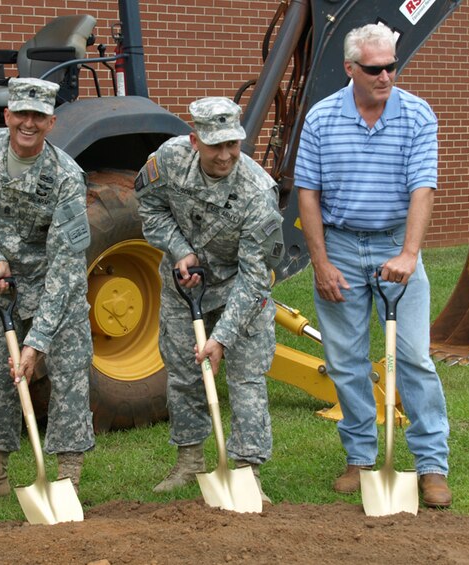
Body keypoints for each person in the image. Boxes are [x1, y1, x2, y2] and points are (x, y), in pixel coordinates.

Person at [294, 23, 452, 507]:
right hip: (339, 246)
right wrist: (320, 263)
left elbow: (422, 189)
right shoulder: (321, 119)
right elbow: (308, 194)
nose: (386, 76)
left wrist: (408, 253)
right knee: (346, 362)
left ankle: (431, 466)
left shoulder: (417, 115)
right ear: (350, 69)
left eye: (391, 66)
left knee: (414, 358)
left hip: (393, 245)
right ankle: (361, 459)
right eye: (374, 69)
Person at [0, 77, 95, 504]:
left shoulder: (67, 177)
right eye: (21, 115)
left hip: (56, 288)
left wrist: (37, 344)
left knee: (69, 382)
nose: (28, 124)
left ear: (51, 122)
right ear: (7, 115)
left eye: (38, 117)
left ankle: (68, 479)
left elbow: (67, 267)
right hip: (2, 286)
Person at [135, 97, 284, 499]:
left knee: (247, 378)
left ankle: (247, 472)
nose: (225, 155)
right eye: (215, 145)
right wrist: (180, 249)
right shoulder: (169, 159)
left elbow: (257, 278)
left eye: (232, 145)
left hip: (241, 289)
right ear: (194, 140)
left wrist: (222, 339)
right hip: (186, 285)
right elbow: (150, 208)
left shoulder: (258, 194)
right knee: (184, 374)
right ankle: (189, 462)